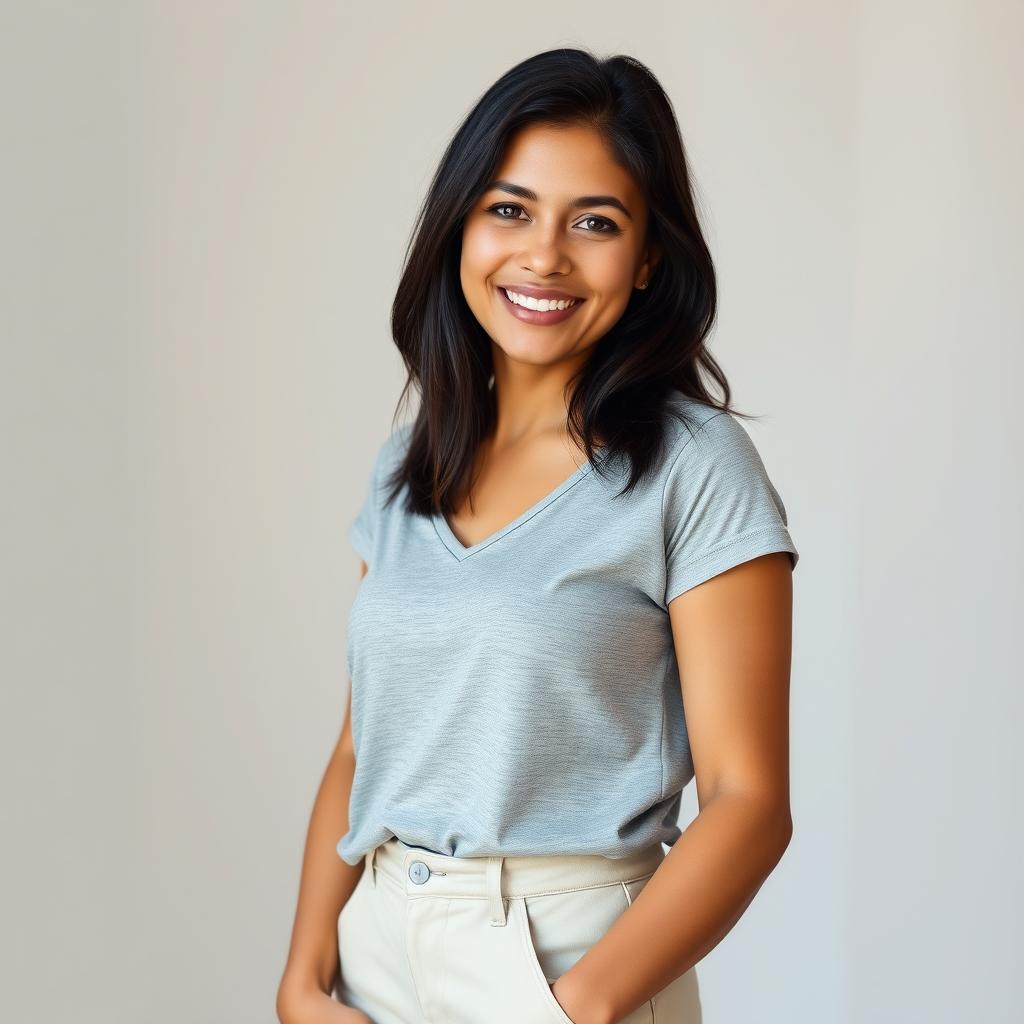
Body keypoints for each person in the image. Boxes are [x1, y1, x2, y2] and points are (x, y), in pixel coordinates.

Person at [278, 47, 799, 1024]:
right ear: (461, 227)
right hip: (379, 949)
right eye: (509, 209)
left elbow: (748, 799)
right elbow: (363, 748)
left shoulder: (693, 465)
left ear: (647, 256)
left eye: (594, 223)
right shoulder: (406, 468)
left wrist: (577, 1005)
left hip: (566, 956)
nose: (544, 256)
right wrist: (302, 977)